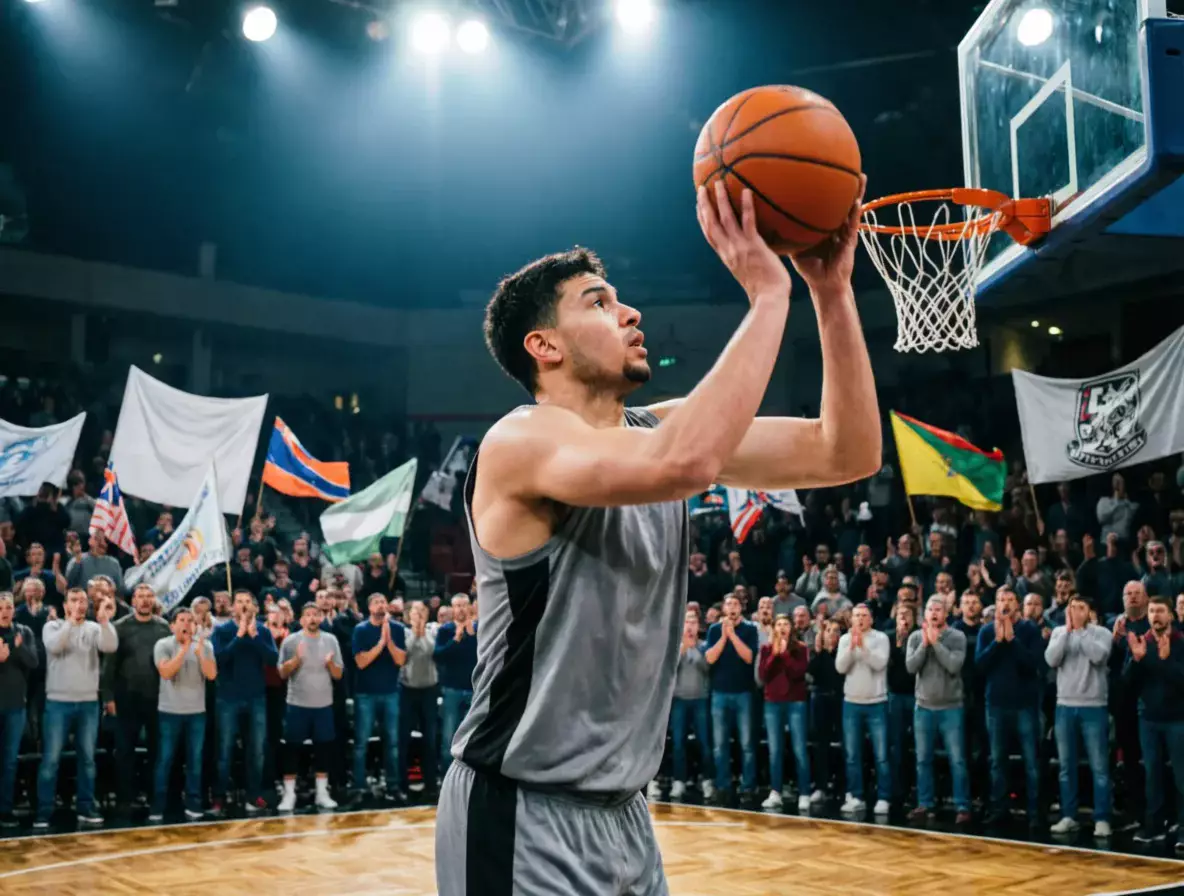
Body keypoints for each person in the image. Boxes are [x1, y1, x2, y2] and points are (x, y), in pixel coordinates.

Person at [435, 178, 878, 895]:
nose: (630, 311)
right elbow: (687, 463)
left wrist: (831, 294)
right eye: (599, 302)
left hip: (627, 814)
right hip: (521, 809)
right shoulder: (520, 440)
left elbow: (845, 451)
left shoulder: (654, 432)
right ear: (542, 345)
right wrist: (769, 297)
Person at [35, 588, 118, 828]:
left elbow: (110, 645)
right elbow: (55, 647)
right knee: (51, 759)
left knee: (88, 759)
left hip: (88, 703)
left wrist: (104, 621)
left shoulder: (93, 628)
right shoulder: (52, 626)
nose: (80, 604)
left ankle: (86, 807)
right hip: (58, 702)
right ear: (65, 605)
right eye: (74, 601)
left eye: (83, 601)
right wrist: (70, 621)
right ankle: (44, 811)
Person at [1045, 595, 1112, 838]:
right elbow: (1051, 659)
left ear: (1089, 611)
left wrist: (1081, 631)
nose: (1075, 612)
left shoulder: (1101, 633)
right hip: (1064, 706)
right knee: (1066, 766)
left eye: (1080, 608)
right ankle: (1068, 815)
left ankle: (1102, 818)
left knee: (1099, 767)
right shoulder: (1059, 633)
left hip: (1094, 706)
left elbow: (1098, 657)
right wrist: (1067, 633)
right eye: (1072, 608)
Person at [977, 586, 1045, 828]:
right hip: (996, 705)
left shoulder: (1030, 630)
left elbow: (1033, 664)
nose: (1005, 603)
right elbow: (980, 665)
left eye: (1009, 599)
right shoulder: (986, 631)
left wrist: (1012, 641)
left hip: (1024, 705)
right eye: (1000, 599)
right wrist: (998, 642)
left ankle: (1035, 812)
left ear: (1017, 604)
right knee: (997, 761)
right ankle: (1000, 809)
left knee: (1031, 761)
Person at [1123, 594, 1184, 848]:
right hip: (1148, 718)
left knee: (1182, 776)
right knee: (1152, 774)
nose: (1155, 615)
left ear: (1170, 615)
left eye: (1160, 610)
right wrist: (1137, 661)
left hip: (1178, 719)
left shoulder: (1181, 642)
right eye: (1151, 611)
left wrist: (1163, 661)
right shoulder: (1142, 642)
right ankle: (1155, 825)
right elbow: (1126, 685)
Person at [905, 596, 969, 825]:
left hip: (951, 708)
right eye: (930, 609)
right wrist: (924, 644)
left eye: (938, 609)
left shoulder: (957, 637)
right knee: (923, 759)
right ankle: (925, 804)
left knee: (957, 760)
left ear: (946, 613)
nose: (934, 613)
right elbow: (911, 667)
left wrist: (936, 644)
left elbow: (953, 665)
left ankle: (963, 806)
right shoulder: (915, 637)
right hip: (923, 707)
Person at [150, 607, 216, 822]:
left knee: (195, 760)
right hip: (169, 712)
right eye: (181, 620)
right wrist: (184, 649)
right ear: (172, 625)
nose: (186, 624)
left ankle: (194, 803)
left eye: (190, 620)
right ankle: (158, 806)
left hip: (196, 712)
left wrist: (199, 653)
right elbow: (166, 672)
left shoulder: (205, 645)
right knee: (165, 760)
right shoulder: (163, 644)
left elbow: (212, 674)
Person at [277, 603, 342, 812]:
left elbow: (338, 674)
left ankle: (322, 793)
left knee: (323, 749)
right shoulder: (291, 641)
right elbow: (282, 673)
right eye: (308, 615)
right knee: (292, 749)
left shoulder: (330, 640)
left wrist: (330, 664)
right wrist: (296, 659)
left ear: (321, 618)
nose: (312, 618)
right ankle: (289, 794)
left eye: (316, 614)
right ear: (302, 619)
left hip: (323, 704)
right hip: (297, 704)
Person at [835, 603, 891, 815]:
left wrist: (863, 648)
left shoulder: (881, 638)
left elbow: (879, 664)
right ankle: (856, 795)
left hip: (877, 703)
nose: (859, 619)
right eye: (856, 615)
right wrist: (852, 647)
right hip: (851, 703)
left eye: (863, 615)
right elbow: (840, 667)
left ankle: (884, 797)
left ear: (871, 619)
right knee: (852, 754)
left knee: (882, 754)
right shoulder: (844, 639)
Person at [351, 593, 406, 803]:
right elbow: (361, 662)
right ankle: (359, 787)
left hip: (391, 692)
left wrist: (389, 640)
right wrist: (381, 642)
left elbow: (400, 660)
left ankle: (392, 786)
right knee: (361, 743)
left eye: (384, 601)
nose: (381, 605)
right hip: (365, 693)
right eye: (376, 602)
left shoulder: (399, 629)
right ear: (369, 607)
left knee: (392, 742)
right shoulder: (361, 630)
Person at [705, 594, 759, 805]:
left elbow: (748, 657)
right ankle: (722, 785)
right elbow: (709, 658)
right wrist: (724, 636)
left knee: (746, 744)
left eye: (736, 604)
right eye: (729, 604)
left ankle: (747, 786)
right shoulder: (714, 630)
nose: (732, 607)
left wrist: (733, 635)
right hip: (719, 693)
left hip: (743, 693)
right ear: (724, 608)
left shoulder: (750, 629)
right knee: (719, 745)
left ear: (741, 608)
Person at [757, 614, 810, 811]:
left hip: (796, 702)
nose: (782, 627)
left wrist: (785, 653)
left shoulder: (801, 648)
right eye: (778, 624)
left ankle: (804, 793)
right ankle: (776, 792)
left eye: (785, 624)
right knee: (775, 750)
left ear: (791, 628)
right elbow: (762, 676)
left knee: (799, 749)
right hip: (773, 703)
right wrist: (774, 656)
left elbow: (798, 672)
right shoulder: (766, 649)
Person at [0, 592, 38, 827]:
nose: (5, 611)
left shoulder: (24, 632)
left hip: (15, 707)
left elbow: (34, 662)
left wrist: (19, 648)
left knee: (10, 761)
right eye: (0, 607)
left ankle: (5, 809)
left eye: (9, 606)